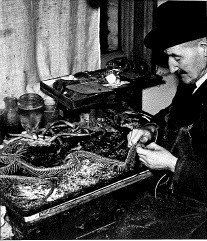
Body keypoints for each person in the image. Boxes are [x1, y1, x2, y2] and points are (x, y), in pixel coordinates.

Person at [128, 1, 207, 205]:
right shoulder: (192, 80)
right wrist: (150, 129)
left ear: (205, 48)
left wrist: (172, 164)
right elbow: (173, 114)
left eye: (176, 57)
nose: (172, 68)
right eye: (168, 56)